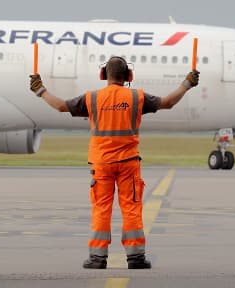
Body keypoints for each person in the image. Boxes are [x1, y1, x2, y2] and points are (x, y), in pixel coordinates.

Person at [29, 56, 199, 269]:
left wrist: (40, 90)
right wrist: (187, 84)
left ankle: (97, 258)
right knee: (131, 209)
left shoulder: (92, 98)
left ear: (103, 75)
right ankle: (135, 257)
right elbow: (168, 103)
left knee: (101, 209)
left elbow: (61, 106)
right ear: (129, 76)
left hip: (101, 164)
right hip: (128, 163)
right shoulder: (137, 97)